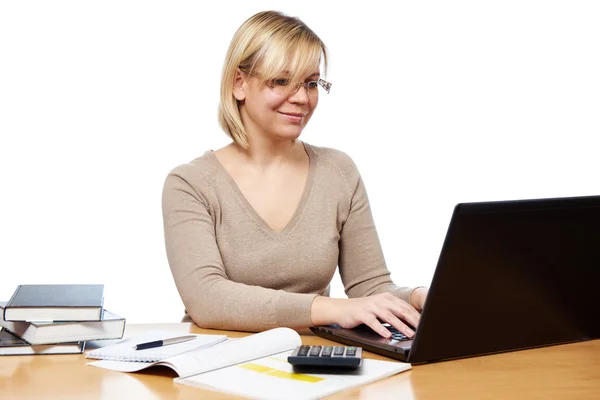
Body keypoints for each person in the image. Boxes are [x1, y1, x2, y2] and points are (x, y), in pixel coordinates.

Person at [162, 10, 428, 339]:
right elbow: (207, 299)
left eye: (312, 83)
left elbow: (370, 288)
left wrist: (418, 297)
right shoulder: (191, 184)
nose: (302, 98)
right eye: (281, 81)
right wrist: (330, 309)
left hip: (309, 362)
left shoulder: (338, 172)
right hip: (218, 364)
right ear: (239, 83)